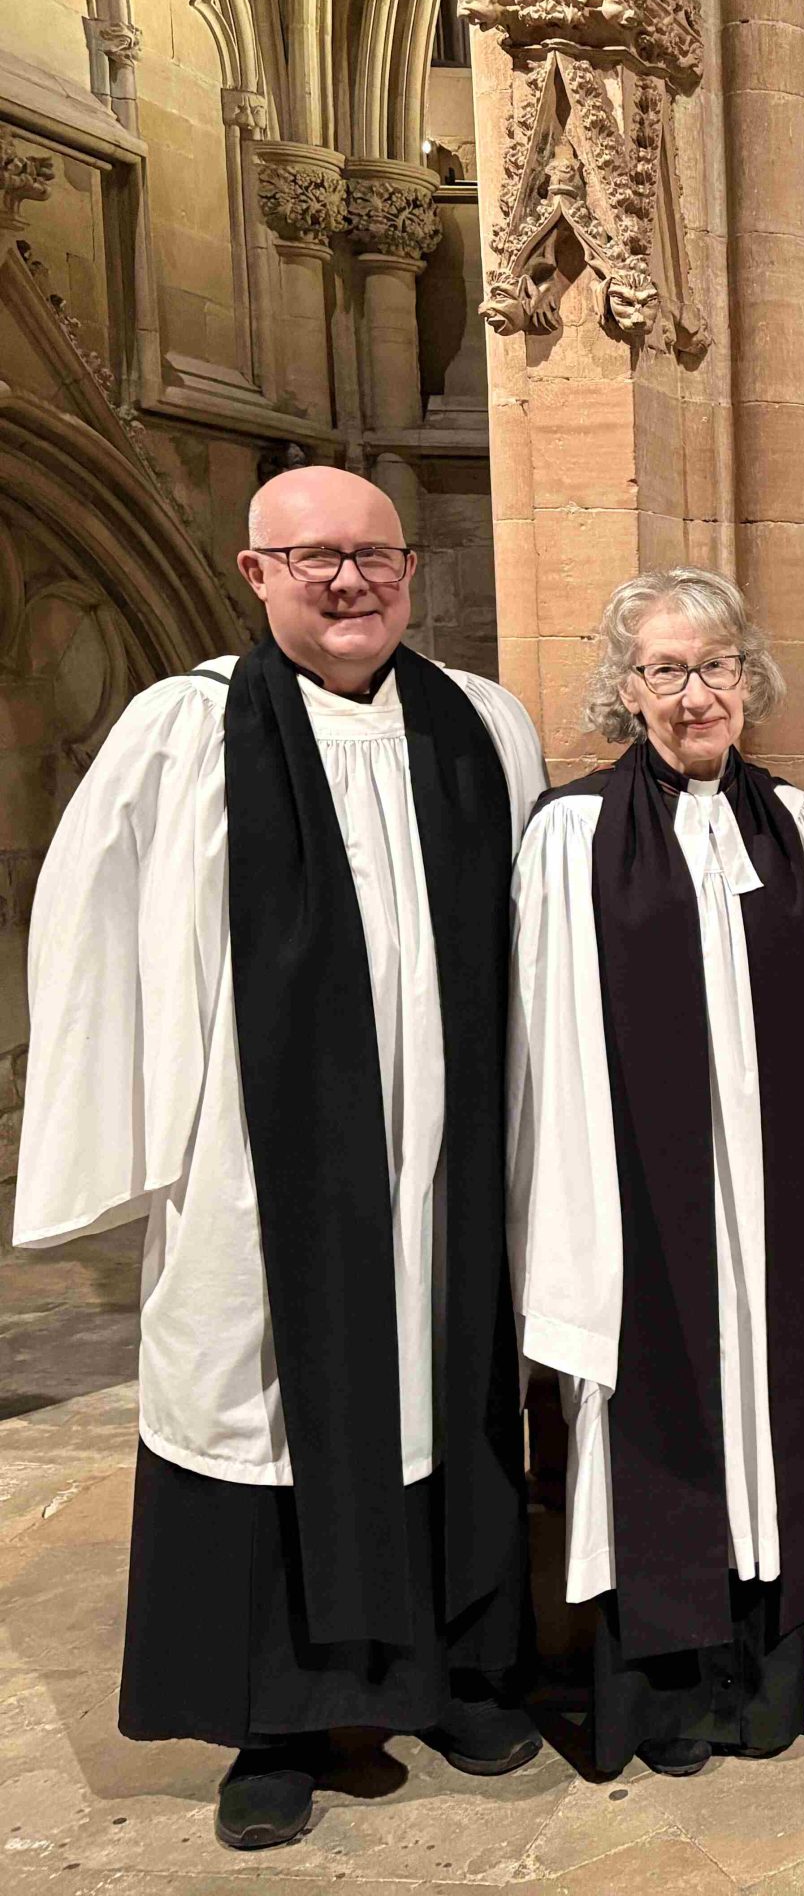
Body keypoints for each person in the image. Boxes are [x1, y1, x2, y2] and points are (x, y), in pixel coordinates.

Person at [12, 465, 547, 1849]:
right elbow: (93, 933)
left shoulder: (482, 725)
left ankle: (457, 1676)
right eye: (314, 558)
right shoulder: (182, 732)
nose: (351, 580)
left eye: (375, 555)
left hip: (442, 1165)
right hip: (257, 1169)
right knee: (262, 1418)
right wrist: (143, 1137)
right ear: (256, 574)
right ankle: (276, 1721)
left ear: (410, 571)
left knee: (445, 1394)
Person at [506, 569, 804, 1778]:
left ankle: (763, 1681)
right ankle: (665, 1695)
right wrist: (573, 1222)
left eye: (716, 667)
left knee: (777, 1424)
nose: (695, 694)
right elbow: (546, 1046)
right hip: (644, 1200)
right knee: (658, 1424)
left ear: (750, 679)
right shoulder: (574, 836)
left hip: (779, 1207)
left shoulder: (799, 828)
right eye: (665, 670)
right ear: (624, 687)